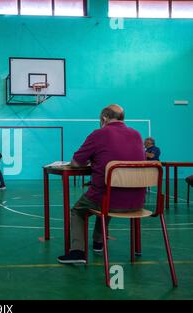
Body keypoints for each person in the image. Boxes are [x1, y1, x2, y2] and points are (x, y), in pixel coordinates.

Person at [58, 104, 146, 264]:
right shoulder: (137, 135)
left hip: (108, 200)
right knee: (109, 197)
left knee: (79, 211)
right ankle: (98, 242)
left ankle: (77, 251)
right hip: (137, 201)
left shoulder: (99, 134)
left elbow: (76, 162)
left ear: (104, 118)